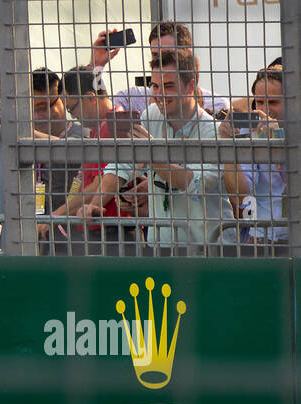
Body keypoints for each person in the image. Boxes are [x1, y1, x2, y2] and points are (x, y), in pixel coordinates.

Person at [80, 50, 235, 253]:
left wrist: (151, 156)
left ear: (190, 85)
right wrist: (94, 205)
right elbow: (122, 164)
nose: (159, 94)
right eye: (155, 85)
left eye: (168, 86)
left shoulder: (213, 131)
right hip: (162, 246)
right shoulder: (151, 115)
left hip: (209, 249)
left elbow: (196, 185)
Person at [52, 68, 142, 254]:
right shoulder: (98, 127)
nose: (73, 115)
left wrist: (58, 214)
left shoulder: (113, 126)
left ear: (90, 97)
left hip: (113, 231)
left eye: (73, 108)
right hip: (103, 227)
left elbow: (100, 183)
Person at [91, 21, 229, 116]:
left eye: (167, 54)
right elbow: (96, 113)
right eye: (155, 55)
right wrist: (96, 66)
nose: (160, 62)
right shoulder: (133, 98)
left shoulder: (216, 104)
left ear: (187, 54)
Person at [221, 65, 287, 255]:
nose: (264, 110)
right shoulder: (249, 131)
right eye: (259, 102)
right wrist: (228, 147)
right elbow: (240, 197)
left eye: (273, 102)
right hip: (260, 238)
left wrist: (277, 140)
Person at [30, 68, 89, 251]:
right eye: (32, 109)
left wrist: (21, 133)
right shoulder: (29, 137)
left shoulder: (83, 134)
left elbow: (64, 147)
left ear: (62, 99)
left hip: (78, 238)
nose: (40, 115)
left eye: (44, 107)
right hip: (42, 237)